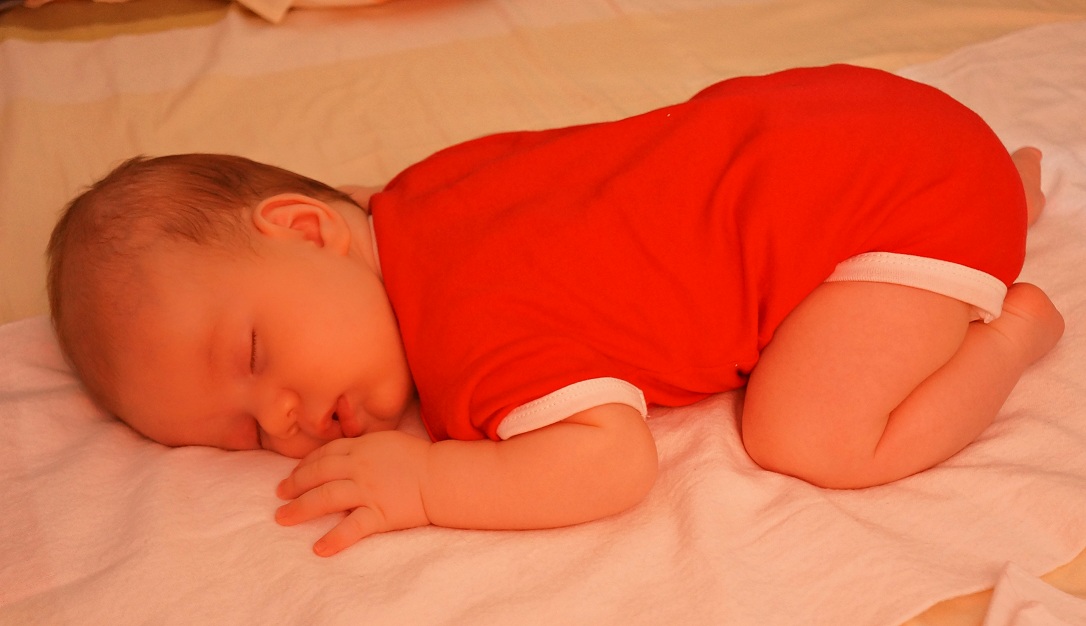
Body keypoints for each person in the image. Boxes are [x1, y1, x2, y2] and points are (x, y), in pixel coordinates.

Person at [46, 64, 1064, 557]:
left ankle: (1009, 330)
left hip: (895, 209)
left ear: (311, 230)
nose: (279, 419)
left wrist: (430, 481)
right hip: (867, 118)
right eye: (237, 433)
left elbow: (609, 461)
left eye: (253, 355)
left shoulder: (469, 342)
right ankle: (996, 188)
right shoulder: (428, 191)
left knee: (812, 436)